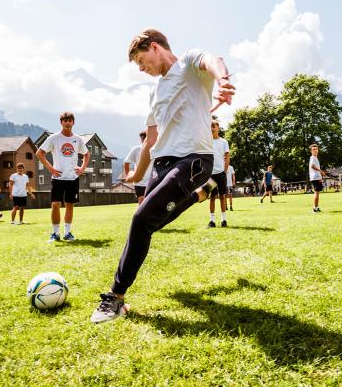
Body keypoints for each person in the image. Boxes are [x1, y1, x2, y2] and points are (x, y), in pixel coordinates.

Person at [90, 28, 235, 323]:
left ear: (155, 47)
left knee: (140, 220)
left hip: (193, 159)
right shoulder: (155, 92)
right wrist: (136, 175)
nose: (142, 70)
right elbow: (150, 141)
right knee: (150, 223)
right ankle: (199, 195)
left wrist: (224, 81)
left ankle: (115, 298)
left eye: (142, 62)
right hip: (161, 164)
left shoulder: (190, 64)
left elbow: (213, 59)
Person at [36, 111, 90, 242]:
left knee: (69, 206)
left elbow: (87, 154)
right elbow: (39, 153)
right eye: (65, 120)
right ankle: (55, 234)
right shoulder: (54, 138)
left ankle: (67, 233)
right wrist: (50, 168)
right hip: (58, 178)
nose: (67, 122)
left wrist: (82, 168)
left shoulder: (78, 139)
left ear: (73, 122)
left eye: (70, 120)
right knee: (55, 204)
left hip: (72, 178)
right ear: (61, 123)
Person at [207, 119, 229, 227]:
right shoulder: (207, 141)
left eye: (213, 126)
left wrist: (225, 171)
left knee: (222, 197)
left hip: (221, 173)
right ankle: (212, 221)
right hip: (210, 174)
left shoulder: (224, 142)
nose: (211, 128)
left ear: (218, 128)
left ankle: (224, 220)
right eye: (210, 126)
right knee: (211, 198)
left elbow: (227, 157)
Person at [124, 131, 153, 205]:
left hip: (152, 181)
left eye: (144, 138)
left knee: (151, 203)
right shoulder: (136, 149)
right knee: (142, 202)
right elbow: (126, 162)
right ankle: (142, 216)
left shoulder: (155, 149)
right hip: (139, 182)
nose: (143, 140)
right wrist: (128, 175)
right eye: (142, 138)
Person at [308, 144, 326, 212]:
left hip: (317, 177)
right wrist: (321, 171)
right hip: (315, 178)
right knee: (316, 193)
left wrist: (320, 176)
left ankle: (316, 207)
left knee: (317, 193)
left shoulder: (315, 158)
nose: (315, 150)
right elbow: (312, 166)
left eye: (316, 149)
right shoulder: (312, 157)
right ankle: (315, 208)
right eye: (313, 149)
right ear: (311, 151)